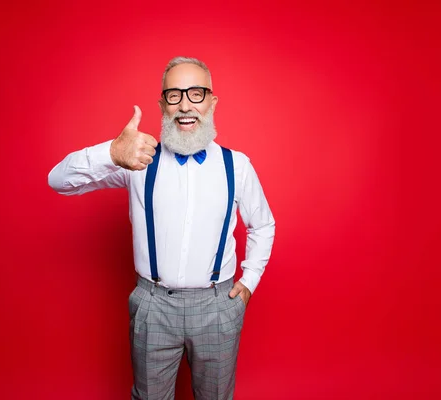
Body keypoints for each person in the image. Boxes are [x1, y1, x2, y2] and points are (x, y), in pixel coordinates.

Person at [48, 56, 275, 400]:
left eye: (196, 93)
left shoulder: (237, 166)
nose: (185, 104)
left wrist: (250, 281)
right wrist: (110, 152)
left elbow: (263, 224)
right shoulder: (135, 160)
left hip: (218, 306)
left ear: (212, 102)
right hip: (153, 306)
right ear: (162, 104)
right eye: (174, 95)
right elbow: (59, 181)